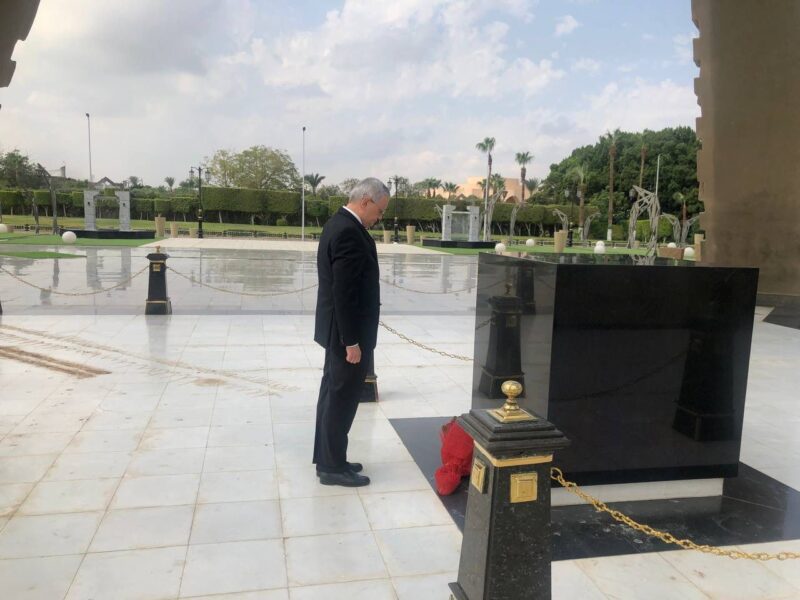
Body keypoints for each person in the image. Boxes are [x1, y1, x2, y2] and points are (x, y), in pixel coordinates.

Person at [312, 178, 390, 486]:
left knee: (333, 396)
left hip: (337, 331)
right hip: (346, 335)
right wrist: (352, 342)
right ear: (366, 201)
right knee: (341, 400)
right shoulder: (348, 232)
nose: (379, 218)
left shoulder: (339, 223)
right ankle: (332, 468)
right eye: (380, 211)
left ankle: (329, 458)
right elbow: (343, 293)